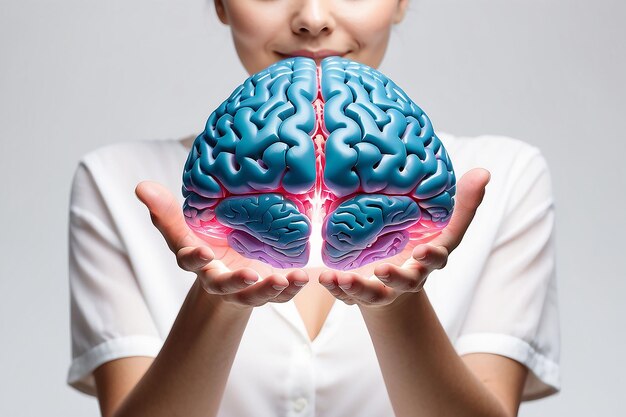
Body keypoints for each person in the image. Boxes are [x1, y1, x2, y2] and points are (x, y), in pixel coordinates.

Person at [66, 1, 561, 416]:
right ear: (219, 2)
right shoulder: (116, 181)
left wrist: (396, 298)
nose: (313, 17)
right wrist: (218, 297)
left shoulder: (507, 175)